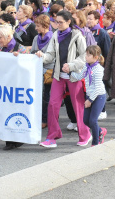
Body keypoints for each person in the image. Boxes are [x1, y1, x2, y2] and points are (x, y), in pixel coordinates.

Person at [36, 10, 91, 147]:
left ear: (68, 22)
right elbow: (50, 55)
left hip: (74, 76)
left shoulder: (78, 35)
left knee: (77, 106)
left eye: (61, 22)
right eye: (56, 22)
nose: (58, 24)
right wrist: (41, 56)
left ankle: (85, 134)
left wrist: (72, 66)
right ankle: (52, 137)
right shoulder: (55, 35)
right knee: (53, 105)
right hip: (58, 76)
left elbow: (84, 56)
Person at [73, 45, 108, 145]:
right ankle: (100, 131)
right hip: (89, 96)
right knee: (86, 120)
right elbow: (80, 76)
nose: (86, 57)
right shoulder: (86, 66)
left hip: (98, 97)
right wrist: (70, 73)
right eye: (86, 54)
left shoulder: (98, 69)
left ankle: (95, 143)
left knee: (93, 120)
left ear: (95, 57)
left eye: (88, 55)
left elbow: (97, 89)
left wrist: (90, 100)